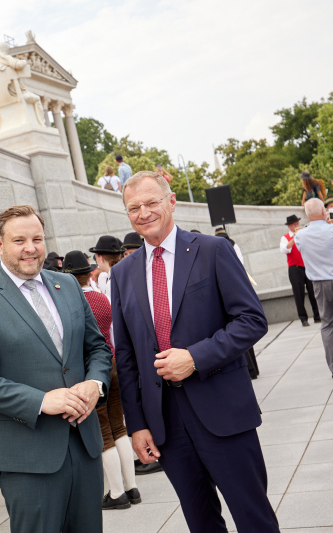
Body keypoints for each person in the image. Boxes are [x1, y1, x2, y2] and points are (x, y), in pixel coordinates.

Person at [111, 171, 279, 533]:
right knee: (201, 522)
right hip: (166, 424)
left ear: (171, 202)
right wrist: (137, 424)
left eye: (151, 202)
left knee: (254, 518)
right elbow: (125, 357)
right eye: (134, 208)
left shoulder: (212, 251)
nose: (143, 213)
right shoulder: (122, 273)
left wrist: (195, 358)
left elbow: (251, 320)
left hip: (223, 412)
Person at [0, 205, 113, 533]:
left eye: (37, 238)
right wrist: (41, 401)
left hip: (84, 445)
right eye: (19, 240)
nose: (30, 247)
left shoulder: (67, 286)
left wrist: (95, 384)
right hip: (26, 455)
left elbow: (97, 348)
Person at [62, 251, 140, 510]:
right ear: (88, 273)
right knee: (119, 426)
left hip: (91, 371)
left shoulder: (70, 303)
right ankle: (132, 487)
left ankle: (116, 492)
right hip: (113, 362)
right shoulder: (101, 297)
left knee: (104, 431)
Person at [294, 198, 333, 378]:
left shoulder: (300, 235)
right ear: (324, 211)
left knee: (327, 325)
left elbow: (301, 250)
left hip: (318, 284)